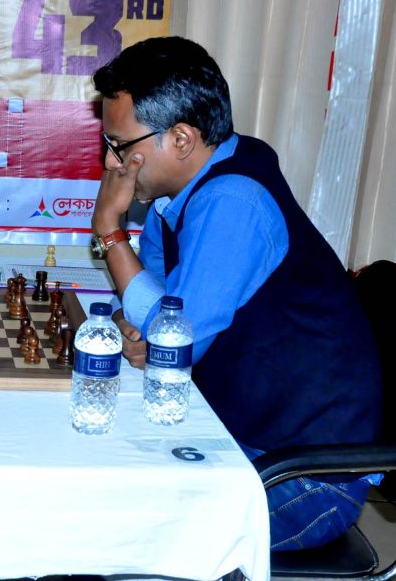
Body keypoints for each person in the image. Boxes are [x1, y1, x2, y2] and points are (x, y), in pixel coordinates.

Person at [90, 36, 382, 551]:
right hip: (241, 442)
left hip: (302, 477)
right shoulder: (174, 197)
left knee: (122, 536)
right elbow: (151, 305)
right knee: (98, 485)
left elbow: (170, 347)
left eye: (121, 145)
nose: (112, 163)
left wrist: (111, 231)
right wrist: (137, 324)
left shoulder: (233, 201)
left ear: (181, 139)